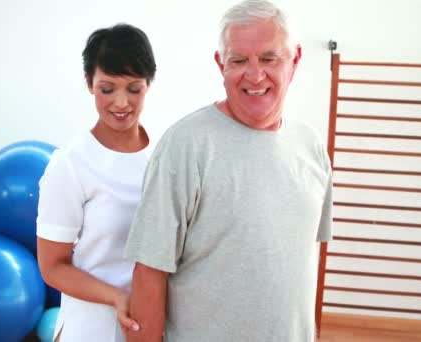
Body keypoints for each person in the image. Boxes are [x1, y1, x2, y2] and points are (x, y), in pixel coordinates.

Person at [124, 1, 332, 341]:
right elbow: (148, 273)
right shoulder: (185, 146)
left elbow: (303, 268)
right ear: (221, 64)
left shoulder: (311, 147)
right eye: (239, 60)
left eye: (268, 58)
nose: (254, 74)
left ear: (294, 60)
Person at [36, 23, 156, 342]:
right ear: (90, 83)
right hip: (92, 330)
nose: (121, 103)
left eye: (134, 88)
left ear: (149, 85)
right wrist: (117, 296)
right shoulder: (71, 164)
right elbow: (52, 266)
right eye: (107, 88)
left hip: (155, 324)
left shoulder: (165, 155)